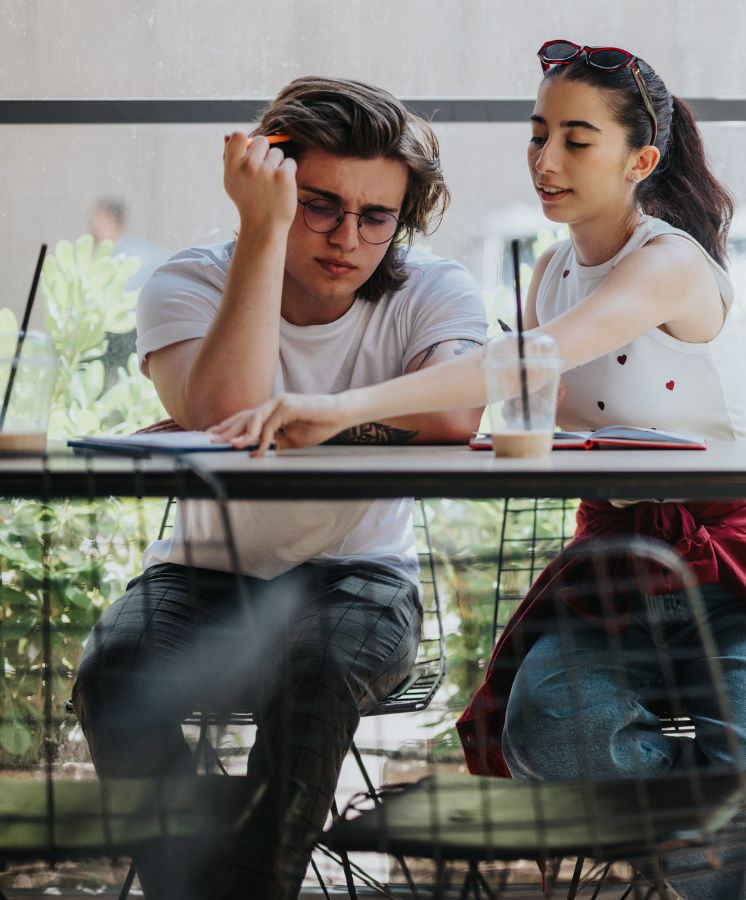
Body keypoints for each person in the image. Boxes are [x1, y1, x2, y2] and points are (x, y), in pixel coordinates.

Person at [210, 42, 746, 900]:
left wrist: (335, 407)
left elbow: (531, 360)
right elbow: (511, 405)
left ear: (641, 160)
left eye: (577, 140)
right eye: (537, 133)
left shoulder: (671, 262)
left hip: (730, 569)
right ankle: (737, 855)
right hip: (609, 566)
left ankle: (739, 841)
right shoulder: (548, 273)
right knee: (549, 734)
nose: (546, 160)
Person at [71, 76, 488, 900]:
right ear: (273, 187)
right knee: (113, 674)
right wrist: (261, 235)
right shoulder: (190, 281)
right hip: (200, 574)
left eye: (377, 218)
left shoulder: (431, 289)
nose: (347, 238)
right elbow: (224, 411)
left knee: (316, 673)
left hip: (361, 581)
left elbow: (457, 411)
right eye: (319, 206)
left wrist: (320, 418)